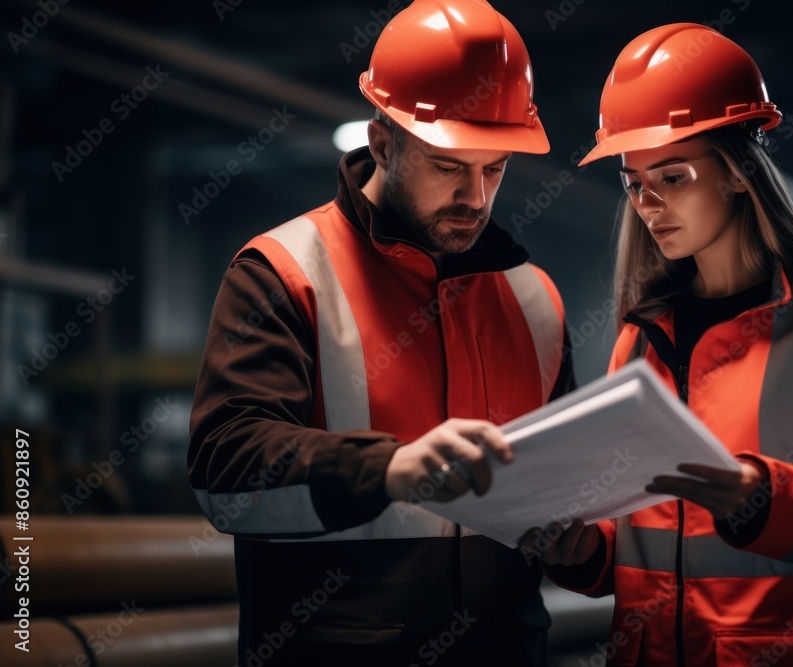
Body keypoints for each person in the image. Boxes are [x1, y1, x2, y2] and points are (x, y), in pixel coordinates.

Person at [519, 23, 793, 666]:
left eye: (672, 176)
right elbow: (633, 533)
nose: (648, 204)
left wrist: (756, 496)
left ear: (737, 172)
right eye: (633, 181)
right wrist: (584, 551)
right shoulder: (642, 334)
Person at [187, 1, 574, 665]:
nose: (475, 197)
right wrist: (390, 468)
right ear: (382, 142)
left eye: (494, 168)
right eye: (449, 166)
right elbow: (225, 474)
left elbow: (566, 491)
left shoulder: (533, 298)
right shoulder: (282, 272)